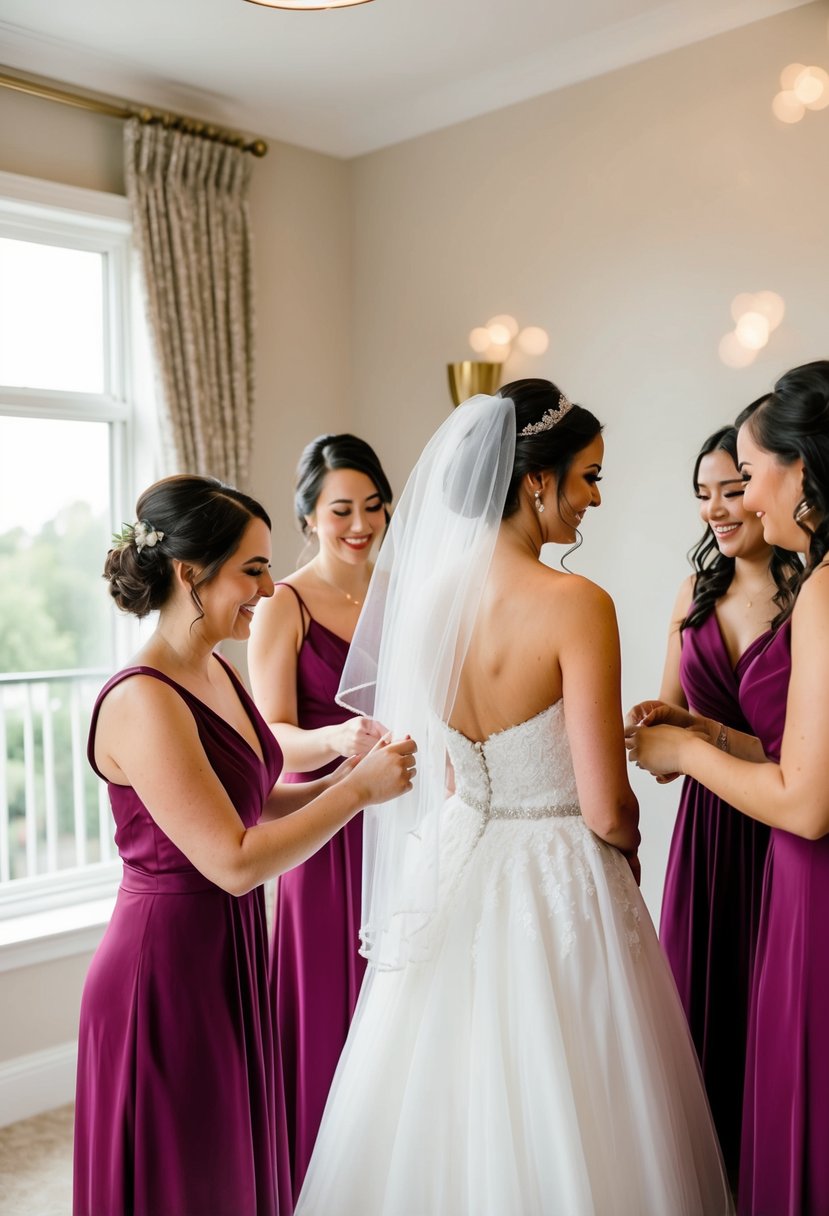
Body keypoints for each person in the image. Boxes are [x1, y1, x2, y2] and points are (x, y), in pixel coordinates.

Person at [295, 380, 733, 1215]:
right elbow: (606, 806)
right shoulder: (577, 602)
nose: (595, 498)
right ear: (537, 481)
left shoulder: (425, 603)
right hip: (560, 864)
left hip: (459, 856)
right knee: (582, 1091)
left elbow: (457, 773)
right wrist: (627, 853)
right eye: (588, 477)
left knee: (444, 1086)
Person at [72, 474, 416, 1216]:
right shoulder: (143, 696)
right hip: (161, 969)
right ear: (190, 572)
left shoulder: (215, 670)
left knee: (226, 1167)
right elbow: (232, 860)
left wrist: (348, 775)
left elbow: (252, 803)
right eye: (252, 570)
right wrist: (355, 794)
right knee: (182, 1175)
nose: (268, 589)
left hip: (224, 950)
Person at [626, 359, 829, 1216]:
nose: (742, 499)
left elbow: (804, 803)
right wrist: (705, 731)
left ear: (800, 469)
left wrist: (689, 752)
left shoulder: (818, 590)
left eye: (751, 475)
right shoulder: (712, 595)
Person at [248, 434, 392, 1201]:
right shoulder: (283, 603)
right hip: (323, 823)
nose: (360, 523)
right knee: (327, 1003)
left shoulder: (402, 594)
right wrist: (334, 739)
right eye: (342, 509)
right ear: (308, 516)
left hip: (400, 822)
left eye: (373, 506)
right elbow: (270, 732)